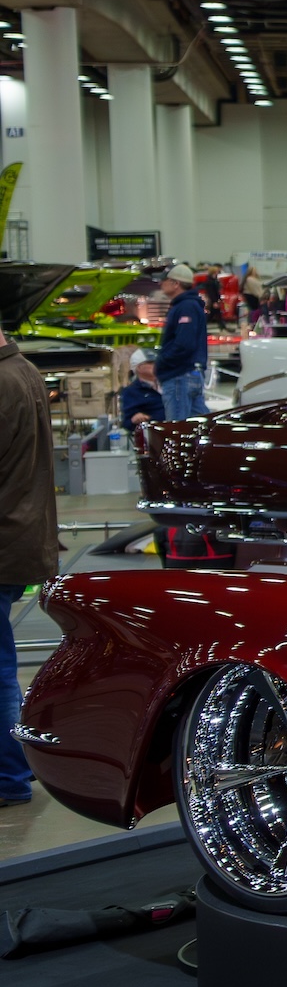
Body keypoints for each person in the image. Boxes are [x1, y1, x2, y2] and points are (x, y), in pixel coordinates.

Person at [0, 314, 58, 808]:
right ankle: (16, 766)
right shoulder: (24, 370)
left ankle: (8, 777)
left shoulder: (3, 380)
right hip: (19, 536)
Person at [154, 263, 210, 422]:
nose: (161, 284)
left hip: (180, 376)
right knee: (199, 426)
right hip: (190, 374)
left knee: (177, 429)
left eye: (165, 280)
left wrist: (162, 362)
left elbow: (184, 344)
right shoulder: (190, 305)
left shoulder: (185, 307)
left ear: (176, 283)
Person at [118, 351, 163, 437]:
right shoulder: (131, 392)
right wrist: (134, 419)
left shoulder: (169, 385)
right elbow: (127, 423)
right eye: (150, 362)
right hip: (154, 437)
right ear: (138, 367)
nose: (155, 364)